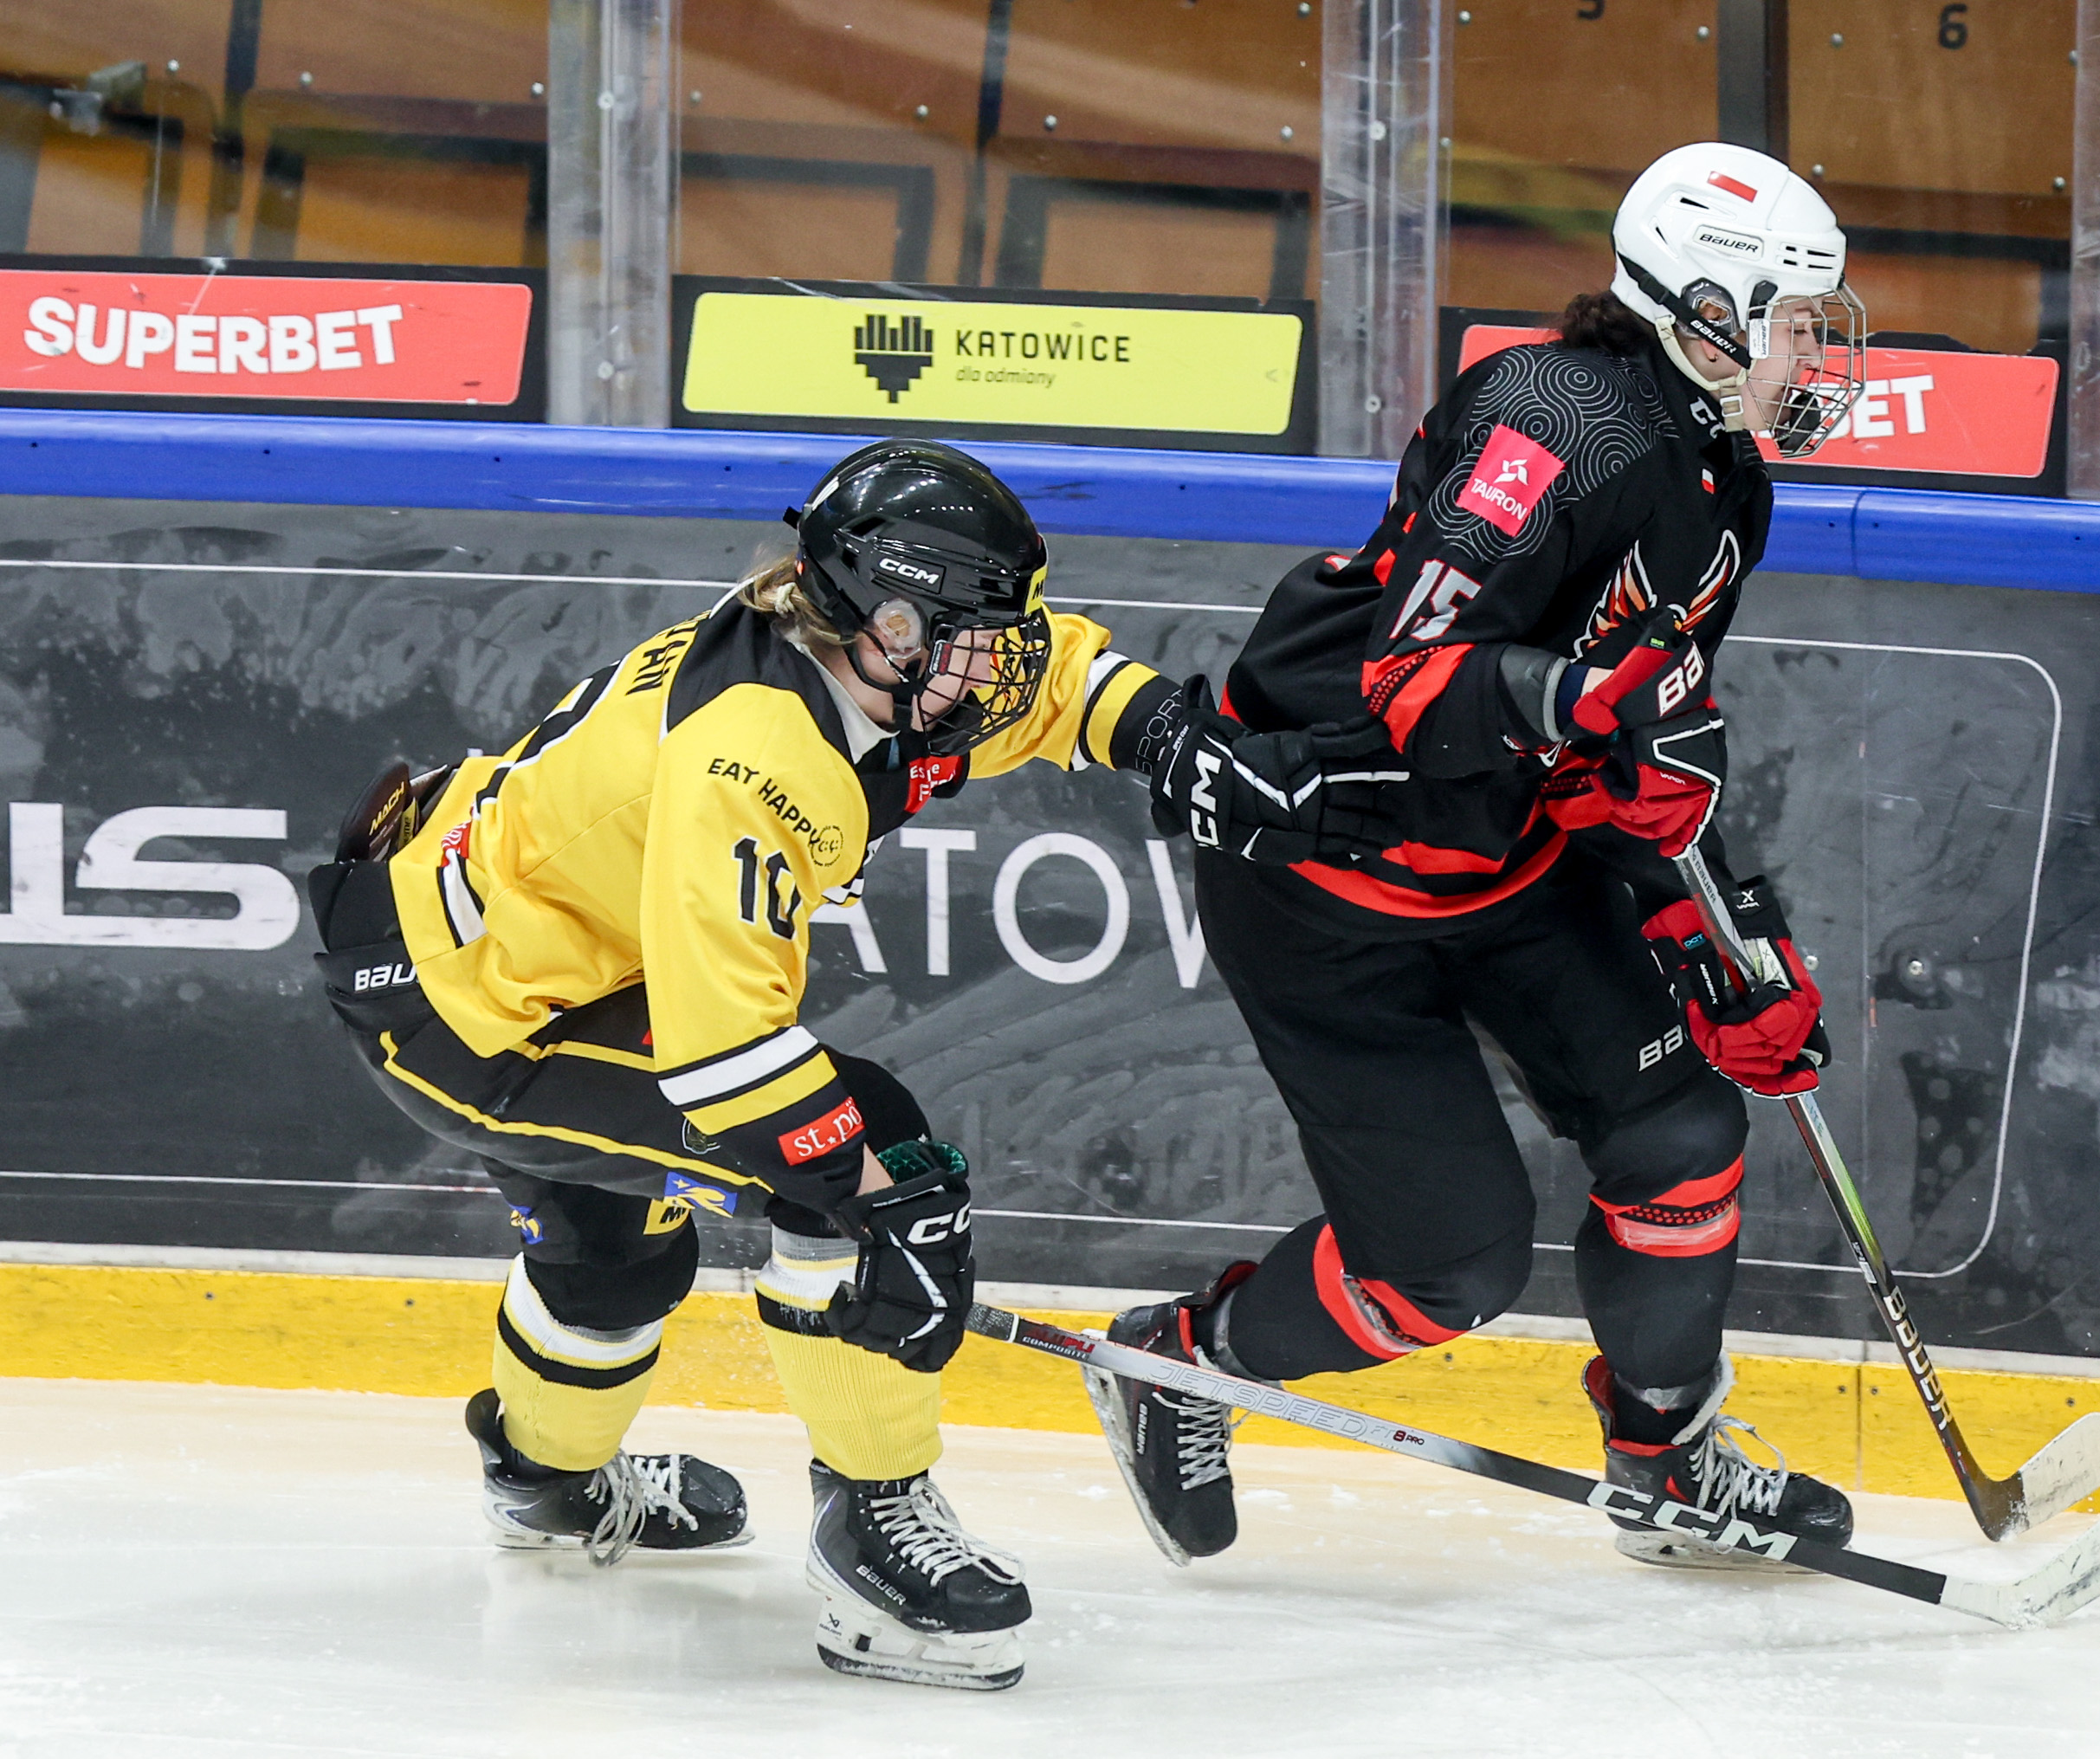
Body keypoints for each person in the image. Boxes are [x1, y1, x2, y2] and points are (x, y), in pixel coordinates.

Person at [307, 440, 1397, 1689]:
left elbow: (1056, 674)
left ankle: (540, 1485)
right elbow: (730, 1054)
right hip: (473, 1014)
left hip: (518, 941)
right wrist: (881, 1206)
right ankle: (873, 1524)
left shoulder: (871, 665)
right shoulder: (758, 757)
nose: (1004, 662)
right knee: (863, 1144)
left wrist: (1175, 741)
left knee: (615, 1261)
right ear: (890, 624)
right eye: (978, 637)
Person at [1088, 143, 1872, 1570]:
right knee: (1446, 1269)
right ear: (1704, 308)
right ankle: (1181, 1360)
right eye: (1795, 321)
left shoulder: (1725, 479)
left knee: (1683, 1138)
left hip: (1508, 856)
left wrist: (1708, 928)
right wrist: (1578, 708)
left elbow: (1640, 736)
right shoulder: (1550, 414)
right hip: (1325, 873)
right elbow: (1416, 673)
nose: (1816, 357)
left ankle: (1669, 1463)